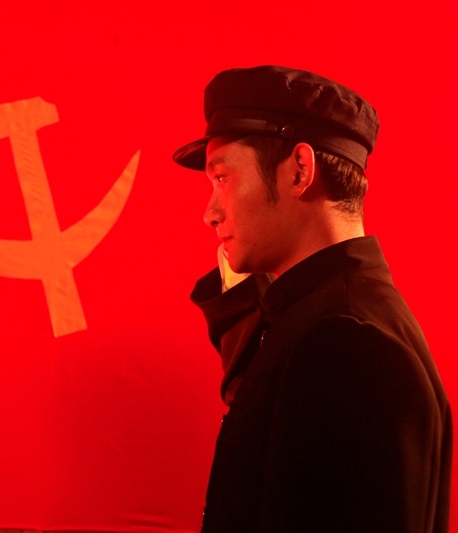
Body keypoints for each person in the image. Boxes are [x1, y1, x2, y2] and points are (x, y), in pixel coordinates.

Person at [173, 66, 452, 532]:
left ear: (300, 170)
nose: (210, 212)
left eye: (222, 178)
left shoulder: (344, 341)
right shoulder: (334, 318)